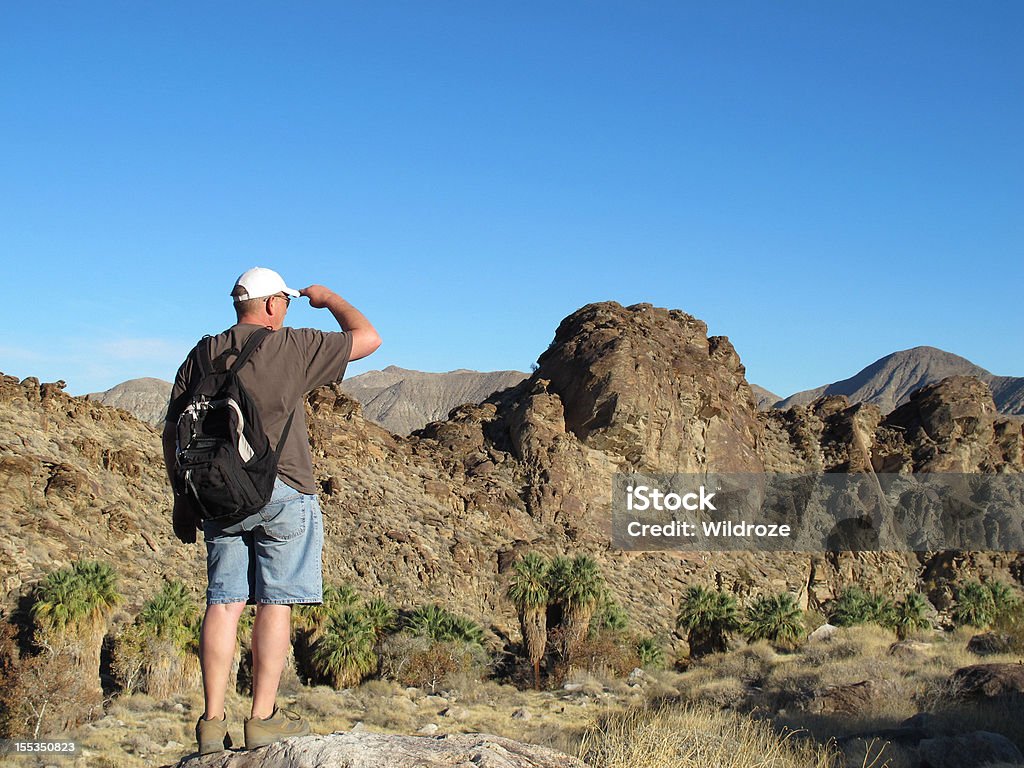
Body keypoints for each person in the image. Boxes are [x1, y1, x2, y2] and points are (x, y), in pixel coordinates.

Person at [161, 267, 381, 754]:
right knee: (273, 603)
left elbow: (172, 428)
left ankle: (211, 725)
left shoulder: (201, 353)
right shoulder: (292, 346)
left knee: (223, 602)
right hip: (284, 491)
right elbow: (368, 337)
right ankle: (262, 720)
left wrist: (182, 495)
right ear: (270, 305)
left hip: (216, 495)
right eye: (284, 301)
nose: (286, 309)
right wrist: (327, 298)